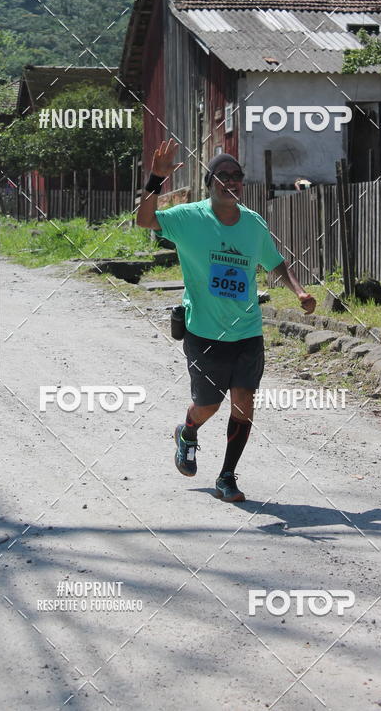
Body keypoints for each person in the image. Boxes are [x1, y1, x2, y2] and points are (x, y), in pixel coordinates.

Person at [136, 139, 316, 502]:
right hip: (204, 332)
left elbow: (274, 262)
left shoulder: (253, 224)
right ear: (210, 183)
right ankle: (188, 432)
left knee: (244, 403)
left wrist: (299, 291)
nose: (231, 180)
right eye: (223, 175)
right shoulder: (188, 219)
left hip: (247, 331)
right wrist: (156, 178)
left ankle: (227, 476)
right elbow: (144, 220)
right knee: (209, 405)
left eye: (237, 175)